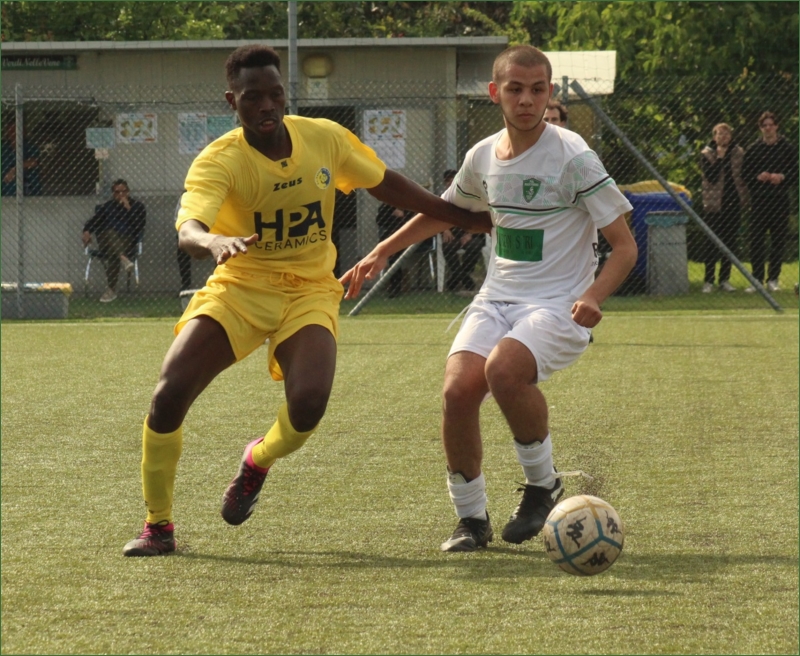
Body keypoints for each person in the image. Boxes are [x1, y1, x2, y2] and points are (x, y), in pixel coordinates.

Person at [122, 44, 490, 557]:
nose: (267, 105)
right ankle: (158, 527)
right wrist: (213, 241)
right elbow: (189, 228)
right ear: (232, 101)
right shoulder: (220, 159)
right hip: (241, 287)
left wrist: (462, 216)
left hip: (309, 289)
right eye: (253, 97)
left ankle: (257, 460)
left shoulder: (324, 138)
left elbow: (385, 184)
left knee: (309, 403)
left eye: (276, 94)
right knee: (168, 396)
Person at [341, 45, 637, 553]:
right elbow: (447, 212)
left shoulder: (573, 156)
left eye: (538, 90)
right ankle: (471, 520)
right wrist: (381, 250)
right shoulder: (482, 155)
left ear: (550, 93)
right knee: (457, 393)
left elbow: (625, 246)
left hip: (558, 303)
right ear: (495, 93)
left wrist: (593, 295)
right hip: (496, 298)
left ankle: (543, 485)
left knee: (503, 371)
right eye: (516, 89)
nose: (527, 100)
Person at [741, 111, 797, 293]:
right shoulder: (753, 149)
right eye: (764, 125)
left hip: (780, 201)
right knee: (756, 240)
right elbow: (744, 174)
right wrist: (758, 177)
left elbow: (795, 173)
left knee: (778, 240)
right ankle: (756, 279)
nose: (767, 128)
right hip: (759, 202)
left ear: (776, 126)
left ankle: (773, 279)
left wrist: (782, 177)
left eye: (770, 125)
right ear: (760, 128)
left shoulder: (787, 148)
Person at [699, 123, 749, 293]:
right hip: (714, 204)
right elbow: (711, 177)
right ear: (714, 137)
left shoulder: (738, 153)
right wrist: (720, 158)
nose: (723, 137)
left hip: (733, 202)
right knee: (711, 242)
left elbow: (744, 175)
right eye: (720, 134)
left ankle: (724, 279)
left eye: (726, 134)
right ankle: (708, 280)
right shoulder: (706, 154)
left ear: (731, 136)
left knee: (729, 241)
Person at [82, 179, 147, 303]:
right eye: (117, 192)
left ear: (128, 192)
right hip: (106, 240)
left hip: (126, 240)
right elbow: (93, 221)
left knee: (113, 253)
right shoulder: (107, 207)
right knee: (109, 232)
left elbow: (139, 226)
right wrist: (86, 231)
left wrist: (129, 209)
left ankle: (111, 290)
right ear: (113, 193)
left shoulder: (137, 206)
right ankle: (123, 258)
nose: (121, 195)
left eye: (123, 191)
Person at [439, 169, 486, 294]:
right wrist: (445, 230)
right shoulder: (442, 199)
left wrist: (470, 234)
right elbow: (436, 217)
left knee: (474, 246)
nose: (449, 183)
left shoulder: (469, 196)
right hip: (452, 234)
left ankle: (456, 278)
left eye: (452, 180)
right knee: (448, 247)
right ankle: (464, 278)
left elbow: (479, 217)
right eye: (447, 181)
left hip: (470, 233)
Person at [375, 202, 412, 297]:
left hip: (408, 236)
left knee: (394, 255)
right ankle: (394, 287)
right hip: (391, 236)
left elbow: (412, 222)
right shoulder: (387, 205)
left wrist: (401, 216)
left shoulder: (410, 203)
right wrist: (392, 212)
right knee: (392, 253)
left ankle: (396, 287)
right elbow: (379, 220)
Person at [1, 122, 42, 197]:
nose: (14, 134)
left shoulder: (30, 146)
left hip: (28, 188)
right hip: (5, 190)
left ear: (23, 132)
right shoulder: (3, 148)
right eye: (11, 131)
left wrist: (15, 169)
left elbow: (33, 162)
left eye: (16, 131)